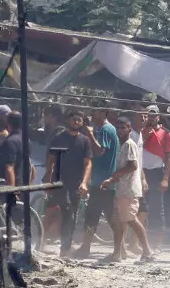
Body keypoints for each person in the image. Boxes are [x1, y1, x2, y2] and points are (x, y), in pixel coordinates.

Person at [100, 117, 154, 263]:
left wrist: (112, 179)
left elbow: (133, 166)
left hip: (128, 190)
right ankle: (117, 254)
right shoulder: (120, 144)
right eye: (118, 127)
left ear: (129, 129)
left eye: (123, 127)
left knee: (131, 220)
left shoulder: (129, 145)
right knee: (118, 224)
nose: (120, 130)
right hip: (121, 190)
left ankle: (148, 252)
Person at [45, 111, 93, 258]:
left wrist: (84, 182)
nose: (77, 122)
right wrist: (48, 180)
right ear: (68, 120)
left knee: (72, 215)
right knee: (66, 212)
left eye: (80, 120)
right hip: (60, 182)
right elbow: (51, 160)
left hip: (77, 183)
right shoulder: (59, 138)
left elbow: (88, 163)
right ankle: (61, 248)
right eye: (74, 119)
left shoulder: (85, 141)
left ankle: (65, 248)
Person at [76, 106, 120, 259]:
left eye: (94, 111)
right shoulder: (107, 129)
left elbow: (100, 150)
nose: (92, 115)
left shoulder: (105, 130)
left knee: (98, 215)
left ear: (102, 112)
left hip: (103, 182)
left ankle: (90, 248)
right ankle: (88, 247)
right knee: (99, 215)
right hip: (102, 181)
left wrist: (89, 133)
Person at [141, 105, 170, 247]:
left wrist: (165, 179)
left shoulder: (166, 133)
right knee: (141, 207)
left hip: (156, 173)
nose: (151, 118)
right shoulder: (139, 131)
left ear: (158, 117)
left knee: (157, 208)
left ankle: (158, 243)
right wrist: (146, 134)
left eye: (154, 115)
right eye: (149, 115)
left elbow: (169, 158)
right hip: (141, 173)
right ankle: (139, 241)